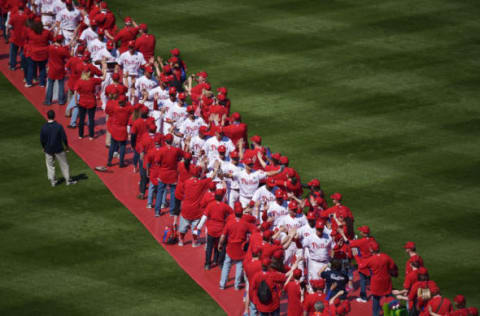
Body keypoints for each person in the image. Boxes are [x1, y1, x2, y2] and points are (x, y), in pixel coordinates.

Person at [358, 240, 398, 316]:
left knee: (376, 301)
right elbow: (393, 267)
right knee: (390, 298)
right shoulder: (386, 257)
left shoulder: (371, 259)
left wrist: (356, 256)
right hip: (387, 282)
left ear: (371, 250)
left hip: (376, 283)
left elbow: (361, 265)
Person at [218, 205, 253, 290]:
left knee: (226, 265)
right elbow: (254, 231)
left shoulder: (229, 223)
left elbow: (223, 236)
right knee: (239, 266)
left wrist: (220, 244)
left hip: (230, 248)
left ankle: (222, 284)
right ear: (241, 214)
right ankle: (236, 285)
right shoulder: (245, 224)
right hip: (240, 248)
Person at [40, 110, 77, 186]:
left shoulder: (44, 127)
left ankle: (53, 181)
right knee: (64, 165)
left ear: (47, 116)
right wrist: (66, 147)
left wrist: (44, 147)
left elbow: (42, 139)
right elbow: (64, 138)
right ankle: (68, 180)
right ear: (54, 116)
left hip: (48, 149)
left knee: (50, 165)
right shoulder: (59, 126)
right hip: (59, 149)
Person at [74, 59, 107, 139]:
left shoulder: (80, 81)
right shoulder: (92, 80)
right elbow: (103, 78)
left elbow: (75, 91)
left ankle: (80, 135)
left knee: (81, 119)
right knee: (91, 119)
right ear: (89, 73)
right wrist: (105, 68)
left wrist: (76, 101)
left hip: (82, 102)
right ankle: (91, 136)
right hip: (91, 102)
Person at [44, 34, 70, 105]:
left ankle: (48, 101)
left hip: (52, 69)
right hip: (60, 69)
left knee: (50, 85)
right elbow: (68, 56)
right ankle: (61, 101)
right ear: (61, 41)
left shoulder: (50, 47)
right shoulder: (62, 50)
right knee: (61, 85)